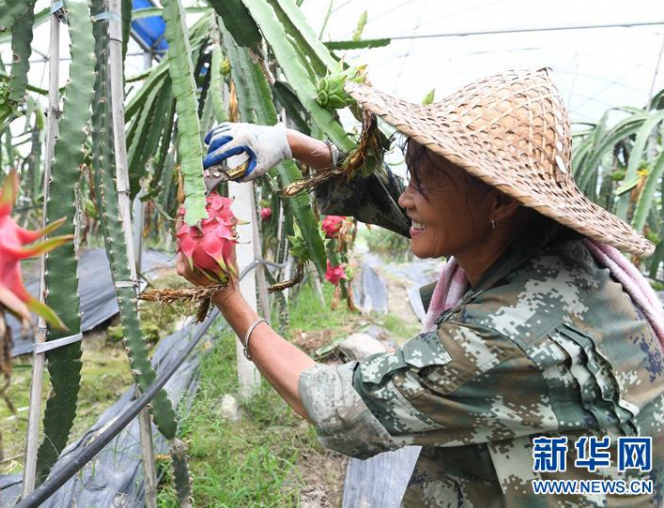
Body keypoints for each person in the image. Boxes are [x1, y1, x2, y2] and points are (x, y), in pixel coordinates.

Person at [178, 68, 664, 507]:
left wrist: (226, 294)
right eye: (411, 178)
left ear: (500, 201)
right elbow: (407, 204)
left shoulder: (510, 333)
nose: (408, 198)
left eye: (425, 185)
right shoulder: (548, 250)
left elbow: (333, 405)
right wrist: (289, 143)